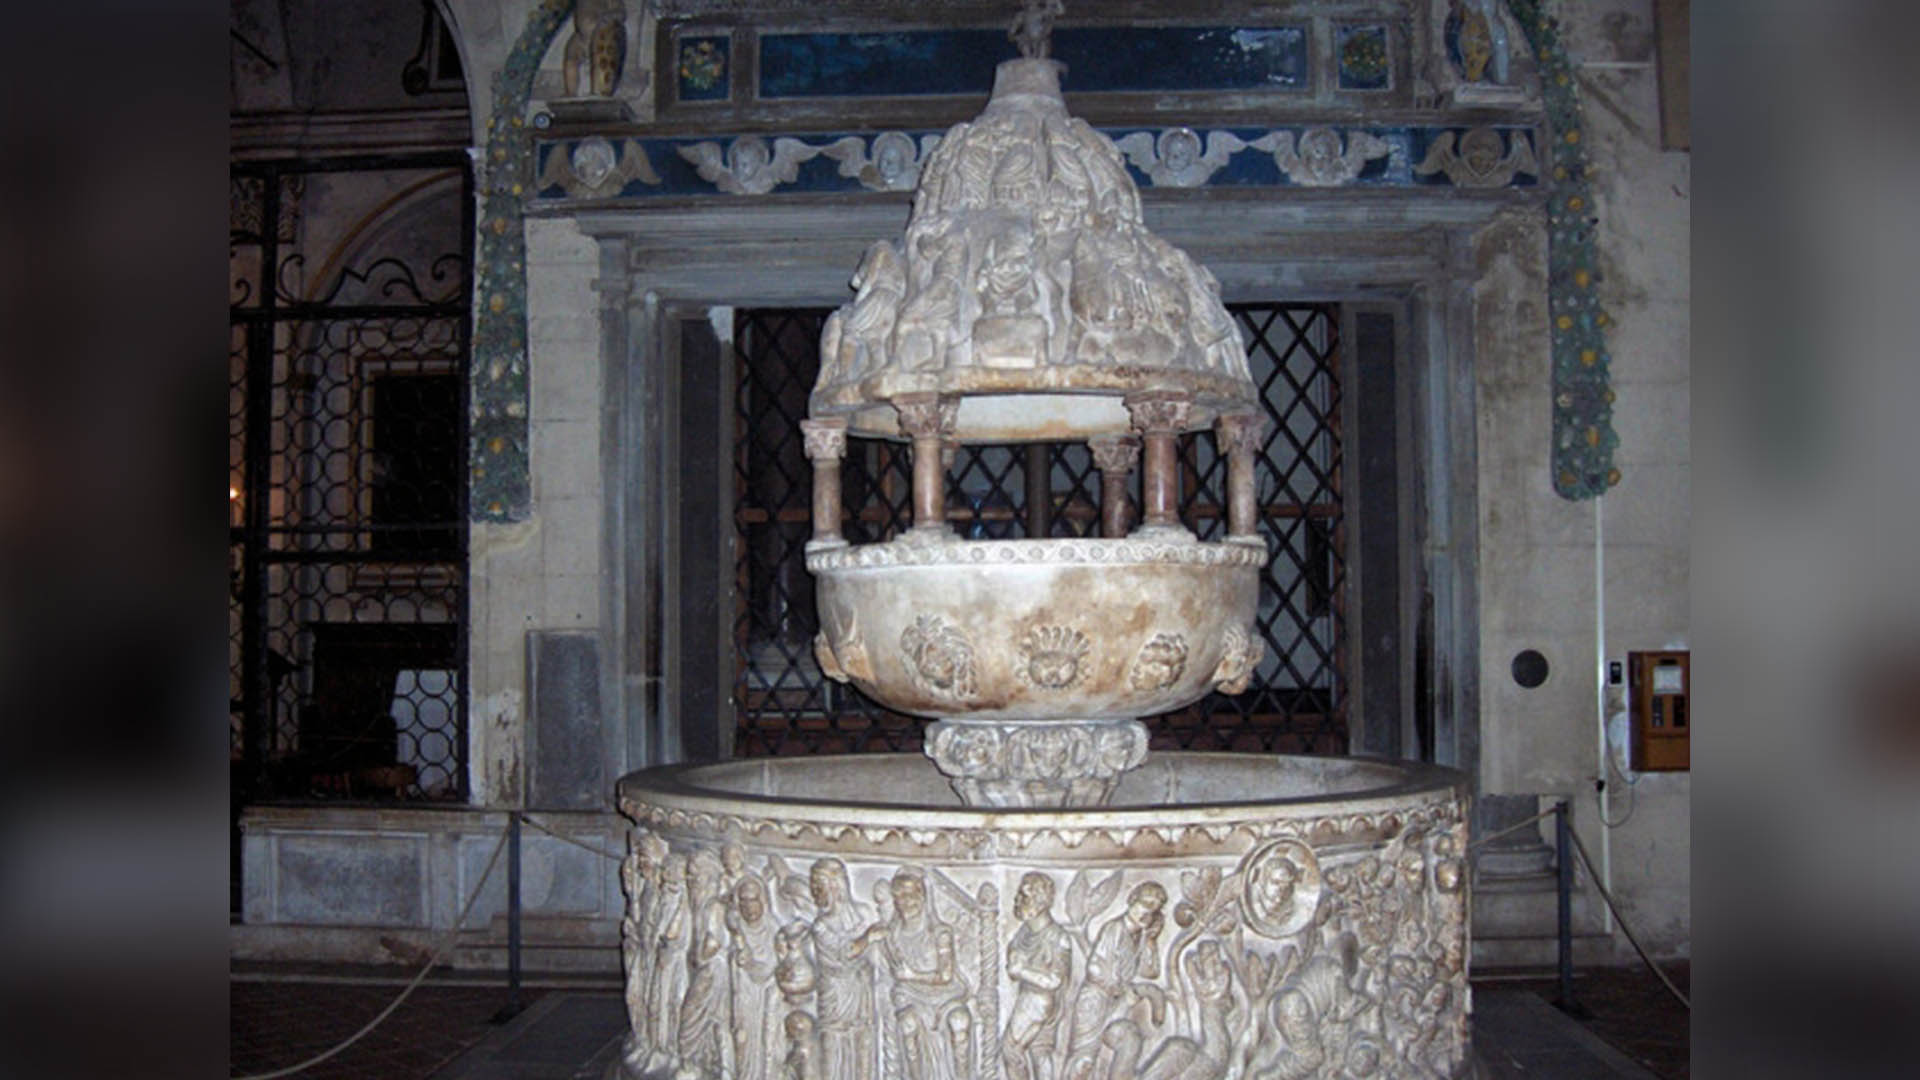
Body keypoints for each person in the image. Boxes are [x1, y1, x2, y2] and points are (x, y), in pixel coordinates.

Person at [1003, 873, 1072, 1080]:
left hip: (1039, 1000)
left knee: (1010, 1049)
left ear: (1040, 902)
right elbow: (1014, 954)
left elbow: (1055, 980)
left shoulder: (1058, 937)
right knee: (1039, 1052)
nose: (1017, 900)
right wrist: (1014, 959)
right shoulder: (1025, 931)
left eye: (1024, 896)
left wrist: (1021, 971)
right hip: (1030, 997)